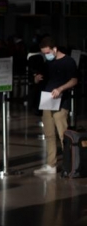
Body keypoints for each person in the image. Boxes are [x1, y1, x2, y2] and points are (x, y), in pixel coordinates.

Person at [33, 37, 79, 175]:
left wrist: (60, 89)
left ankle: (68, 164)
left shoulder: (68, 61)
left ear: (54, 49)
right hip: (47, 100)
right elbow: (41, 77)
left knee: (62, 134)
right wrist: (36, 78)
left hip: (61, 101)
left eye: (47, 52)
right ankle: (51, 164)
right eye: (44, 53)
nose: (46, 55)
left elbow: (74, 80)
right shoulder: (47, 63)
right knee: (49, 134)